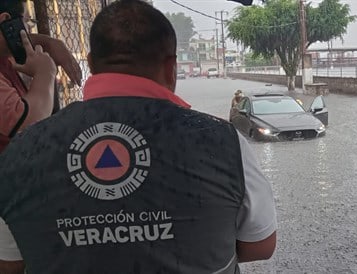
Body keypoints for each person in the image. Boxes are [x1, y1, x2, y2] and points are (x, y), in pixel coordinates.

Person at [0, 1, 277, 273]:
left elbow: (9, 262)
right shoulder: (223, 141)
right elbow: (261, 245)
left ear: (92, 65)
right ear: (171, 67)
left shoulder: (20, 150)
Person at [0, 1, 82, 273]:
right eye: (22, 24)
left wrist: (46, 40)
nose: (25, 32)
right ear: (6, 21)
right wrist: (46, 74)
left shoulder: (6, 59)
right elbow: (28, 126)